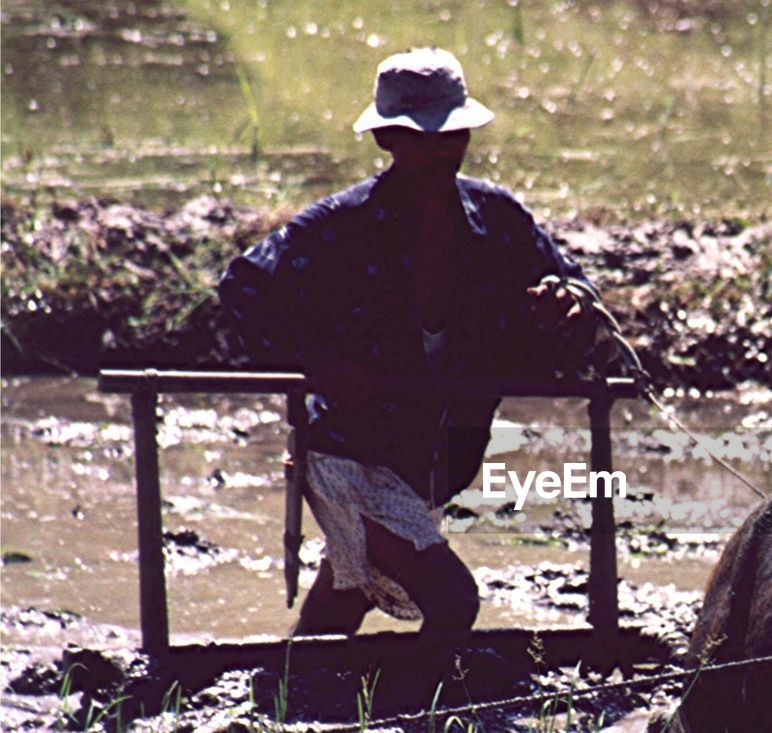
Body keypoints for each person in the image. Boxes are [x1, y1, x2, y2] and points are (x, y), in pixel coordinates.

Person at [219, 47, 606, 641]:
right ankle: (429, 719)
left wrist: (565, 306)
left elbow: (577, 290)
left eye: (452, 136)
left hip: (434, 458)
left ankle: (290, 688)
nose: (441, 151)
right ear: (387, 141)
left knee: (342, 604)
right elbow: (243, 288)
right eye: (422, 139)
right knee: (453, 599)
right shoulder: (340, 226)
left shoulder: (498, 219)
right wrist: (319, 364)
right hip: (351, 451)